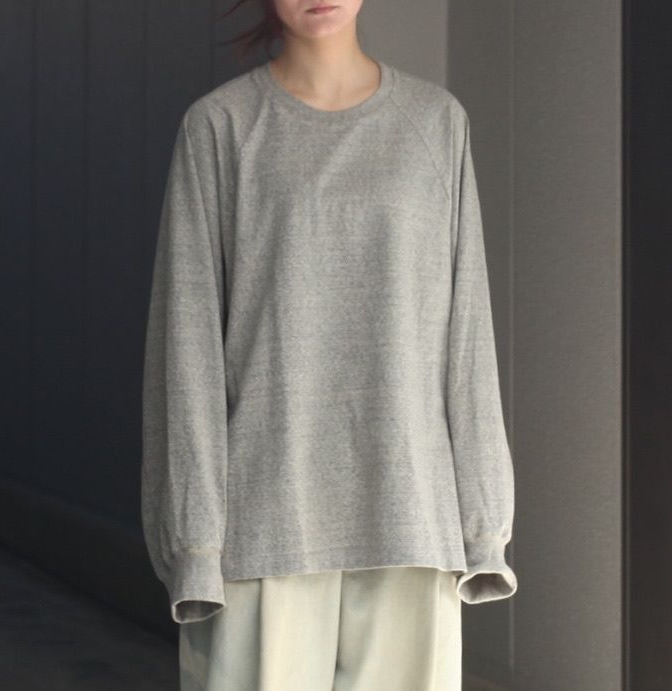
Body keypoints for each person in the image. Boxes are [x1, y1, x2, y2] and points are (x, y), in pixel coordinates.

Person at [140, 1, 518, 689]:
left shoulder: (435, 123)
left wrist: (483, 521)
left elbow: (467, 334)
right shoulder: (220, 127)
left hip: (410, 514)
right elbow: (186, 350)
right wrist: (194, 540)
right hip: (263, 521)